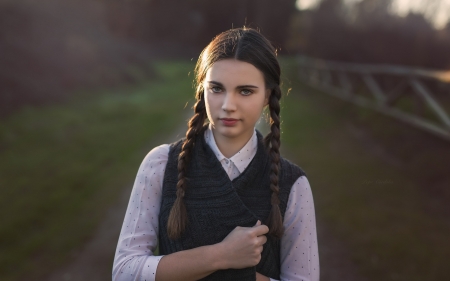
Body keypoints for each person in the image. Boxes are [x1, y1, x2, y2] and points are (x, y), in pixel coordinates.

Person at [112, 27, 319, 281]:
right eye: (217, 88)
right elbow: (124, 271)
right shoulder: (161, 165)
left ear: (267, 95)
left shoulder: (293, 185)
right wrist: (222, 256)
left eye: (245, 91)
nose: (227, 105)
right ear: (202, 88)